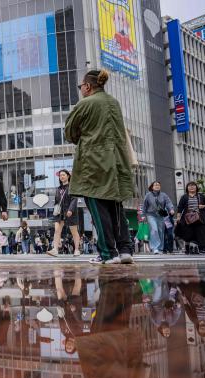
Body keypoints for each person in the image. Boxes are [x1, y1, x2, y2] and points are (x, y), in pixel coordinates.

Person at [65, 69, 135, 265]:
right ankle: (125, 250)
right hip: (117, 161)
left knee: (98, 208)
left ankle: (107, 253)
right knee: (116, 206)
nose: (81, 89)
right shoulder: (114, 103)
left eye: (81, 86)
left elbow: (70, 133)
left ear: (87, 86)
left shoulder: (85, 103)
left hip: (93, 162)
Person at [47, 170, 81, 257]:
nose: (61, 176)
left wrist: (70, 210)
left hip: (70, 212)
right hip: (59, 213)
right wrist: (55, 210)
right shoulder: (58, 189)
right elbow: (56, 201)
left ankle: (77, 250)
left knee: (74, 231)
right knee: (57, 231)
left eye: (63, 175)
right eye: (60, 175)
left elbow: (74, 199)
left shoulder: (72, 187)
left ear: (68, 176)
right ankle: (55, 249)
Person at [175, 181, 205, 255]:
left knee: (202, 232)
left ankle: (202, 249)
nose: (191, 187)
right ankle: (188, 247)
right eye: (190, 186)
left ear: (196, 187)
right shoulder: (184, 197)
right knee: (187, 232)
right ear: (187, 188)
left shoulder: (201, 196)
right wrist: (178, 217)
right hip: (187, 218)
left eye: (193, 186)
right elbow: (180, 208)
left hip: (200, 218)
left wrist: (203, 206)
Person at [142, 181, 175, 255]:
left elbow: (168, 203)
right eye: (155, 185)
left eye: (158, 185)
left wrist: (171, 209)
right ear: (152, 187)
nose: (157, 186)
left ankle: (160, 248)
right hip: (151, 215)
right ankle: (155, 248)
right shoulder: (148, 195)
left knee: (160, 231)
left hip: (161, 216)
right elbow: (144, 206)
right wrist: (143, 215)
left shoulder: (164, 195)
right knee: (154, 230)